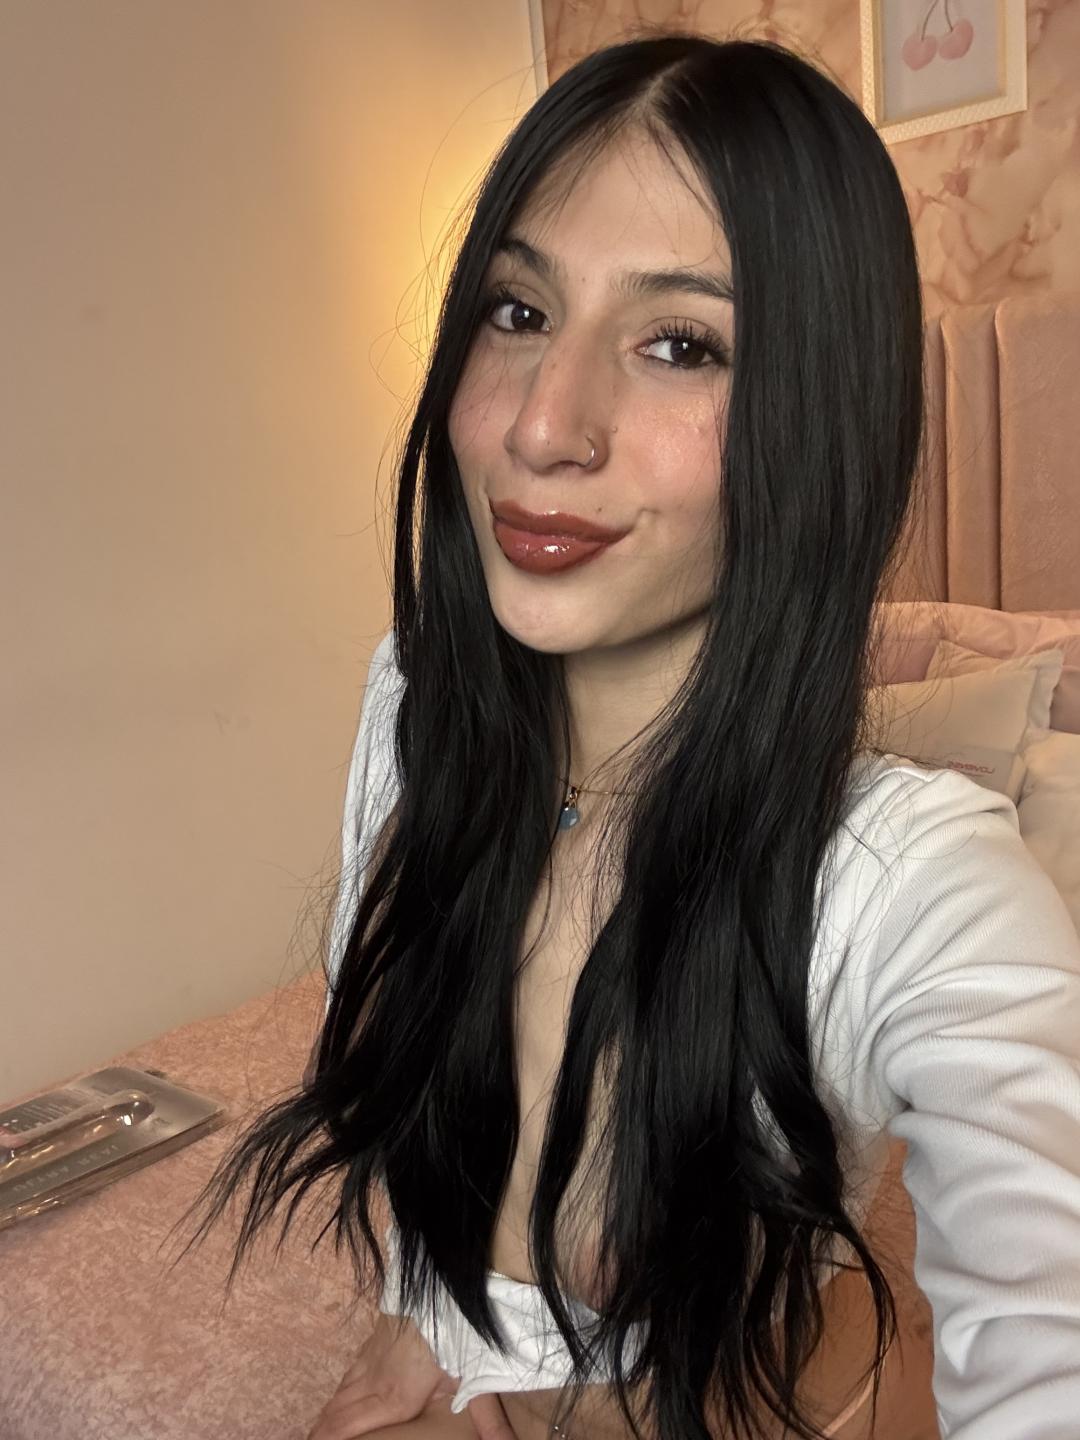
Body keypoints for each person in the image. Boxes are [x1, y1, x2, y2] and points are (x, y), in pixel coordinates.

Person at [169, 31, 1080, 1440]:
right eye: (519, 310)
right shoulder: (411, 710)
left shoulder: (915, 883)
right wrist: (418, 1308)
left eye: (679, 344)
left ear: (818, 414)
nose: (543, 426)